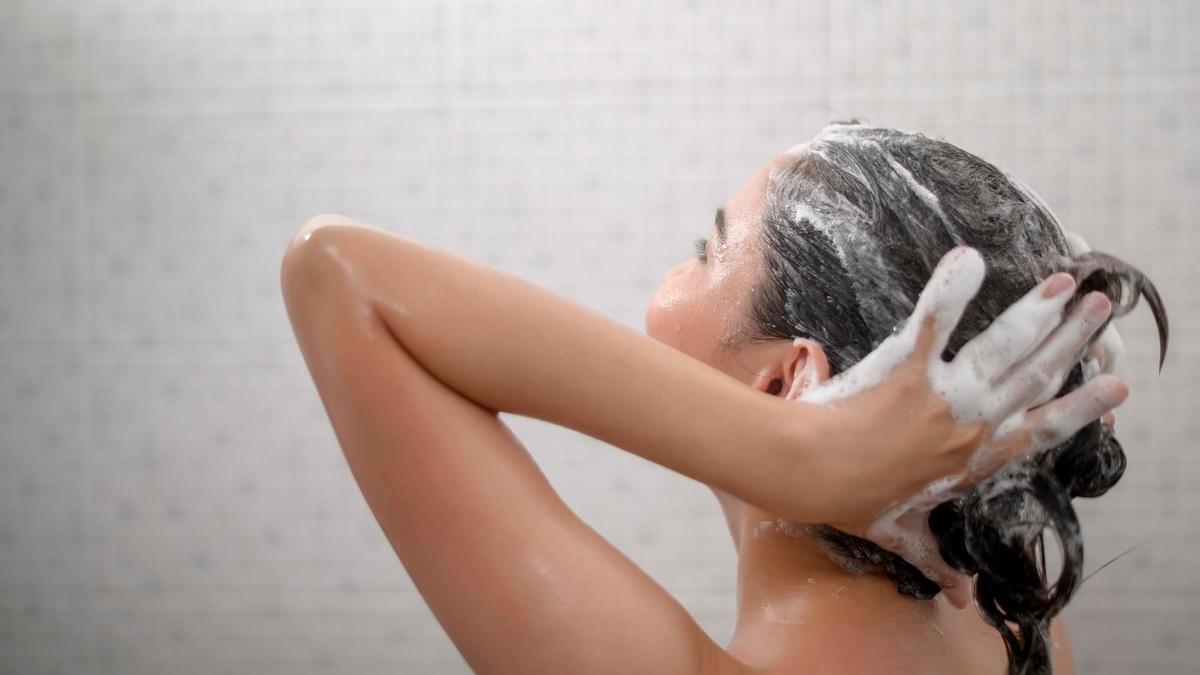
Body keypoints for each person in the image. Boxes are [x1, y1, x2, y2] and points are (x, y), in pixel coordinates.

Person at [278, 120, 1163, 675]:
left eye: (707, 251)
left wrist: (806, 456)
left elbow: (336, 274)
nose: (671, 272)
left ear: (787, 381)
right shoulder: (1023, 634)